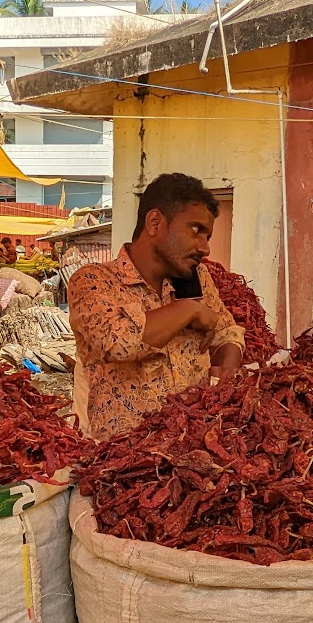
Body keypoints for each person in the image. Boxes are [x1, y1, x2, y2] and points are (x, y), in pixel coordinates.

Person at [68, 172, 244, 441]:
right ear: (154, 222)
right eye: (196, 230)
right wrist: (188, 310)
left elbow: (226, 332)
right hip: (123, 463)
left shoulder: (197, 280)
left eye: (208, 236)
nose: (205, 248)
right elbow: (119, 342)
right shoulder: (94, 281)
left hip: (190, 454)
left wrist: (228, 363)